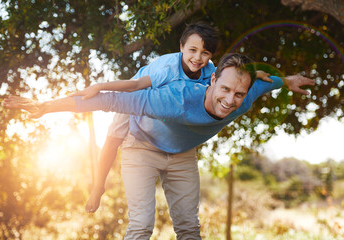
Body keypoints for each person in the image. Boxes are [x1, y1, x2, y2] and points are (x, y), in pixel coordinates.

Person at [4, 53, 314, 239]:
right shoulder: (174, 98)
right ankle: (97, 187)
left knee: (190, 229)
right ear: (212, 80)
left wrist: (288, 80)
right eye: (226, 89)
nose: (230, 100)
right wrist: (45, 105)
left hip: (181, 154)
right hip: (141, 145)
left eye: (238, 94)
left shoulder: (246, 95)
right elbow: (107, 99)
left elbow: (270, 81)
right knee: (142, 226)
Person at [70, 22, 270, 214]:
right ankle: (98, 186)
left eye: (205, 53)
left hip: (159, 107)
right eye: (192, 50)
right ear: (182, 47)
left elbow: (230, 75)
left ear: (211, 55)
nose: (198, 57)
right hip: (135, 92)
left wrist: (256, 73)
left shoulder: (209, 69)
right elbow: (136, 85)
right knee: (113, 138)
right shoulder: (166, 67)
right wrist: (99, 86)